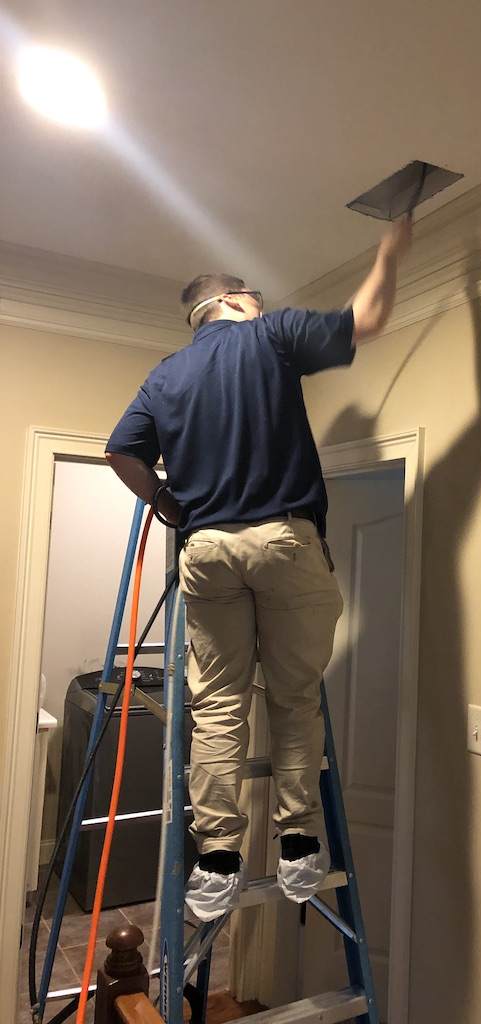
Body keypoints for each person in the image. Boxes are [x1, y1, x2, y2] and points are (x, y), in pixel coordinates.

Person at [105, 216, 412, 920]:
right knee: (292, 698)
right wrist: (392, 244)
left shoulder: (166, 372)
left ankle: (216, 861)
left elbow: (121, 452)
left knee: (217, 704)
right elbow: (369, 316)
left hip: (207, 551)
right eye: (258, 299)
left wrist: (166, 504)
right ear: (237, 300)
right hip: (281, 539)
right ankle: (300, 846)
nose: (264, 308)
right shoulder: (268, 337)